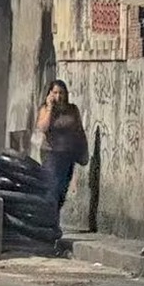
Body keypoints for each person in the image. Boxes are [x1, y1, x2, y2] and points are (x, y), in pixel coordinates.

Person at [35, 79, 89, 211]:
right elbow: (43, 127)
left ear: (66, 94)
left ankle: (54, 217)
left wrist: (83, 151)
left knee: (62, 190)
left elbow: (79, 131)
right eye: (55, 92)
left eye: (61, 93)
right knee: (52, 187)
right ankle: (49, 218)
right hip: (51, 154)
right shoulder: (46, 109)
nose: (58, 96)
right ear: (50, 94)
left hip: (68, 155)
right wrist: (50, 108)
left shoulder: (72, 109)